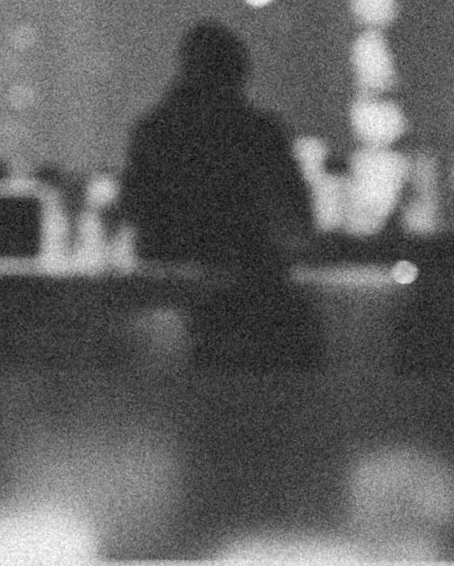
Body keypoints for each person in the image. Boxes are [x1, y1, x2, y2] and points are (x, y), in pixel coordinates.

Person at [120, 22, 314, 370]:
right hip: (252, 293)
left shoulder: (155, 131)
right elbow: (296, 212)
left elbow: (133, 207)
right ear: (238, 73)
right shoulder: (260, 133)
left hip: (171, 293)